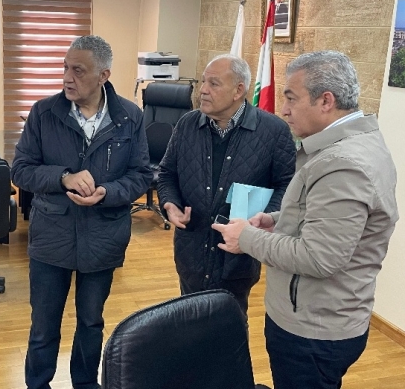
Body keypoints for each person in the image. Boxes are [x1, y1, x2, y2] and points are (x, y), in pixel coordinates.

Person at [213, 50, 399, 389]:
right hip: (318, 317)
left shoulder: (343, 163)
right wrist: (278, 220)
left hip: (313, 330)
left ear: (326, 100)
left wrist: (247, 238)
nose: (283, 110)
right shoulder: (350, 145)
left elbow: (319, 256)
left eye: (291, 98)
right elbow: (325, 217)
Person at [11, 35, 151, 389]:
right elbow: (21, 170)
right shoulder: (44, 113)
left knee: (91, 322)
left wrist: (107, 193)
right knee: (44, 325)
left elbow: (140, 175)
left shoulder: (129, 117)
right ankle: (37, 384)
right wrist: (63, 178)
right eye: (65, 68)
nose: (67, 78)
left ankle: (85, 383)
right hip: (51, 237)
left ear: (103, 75)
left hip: (104, 236)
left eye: (78, 70)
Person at [157, 54, 295, 315]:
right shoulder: (187, 125)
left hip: (238, 256)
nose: (203, 90)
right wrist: (170, 204)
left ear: (238, 90)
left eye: (214, 83)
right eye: (203, 82)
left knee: (230, 327)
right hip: (191, 252)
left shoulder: (274, 131)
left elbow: (286, 185)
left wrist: (263, 220)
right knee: (189, 324)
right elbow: (166, 173)